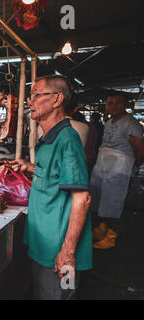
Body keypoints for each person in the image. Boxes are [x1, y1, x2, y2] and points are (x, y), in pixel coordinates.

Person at [12, 74, 92, 300]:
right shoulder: (47, 139)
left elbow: (82, 198)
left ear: (57, 99)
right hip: (43, 246)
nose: (30, 102)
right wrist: (30, 167)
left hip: (60, 254)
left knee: (60, 295)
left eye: (36, 95)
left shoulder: (68, 139)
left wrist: (67, 253)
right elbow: (56, 175)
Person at [90, 91, 144, 249]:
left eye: (118, 102)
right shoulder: (109, 122)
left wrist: (133, 167)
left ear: (125, 104)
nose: (114, 106)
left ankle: (112, 235)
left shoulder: (131, 123)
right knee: (99, 199)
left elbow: (140, 150)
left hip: (120, 168)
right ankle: (102, 229)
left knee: (114, 201)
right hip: (103, 166)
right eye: (110, 103)